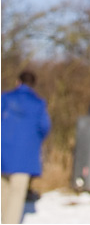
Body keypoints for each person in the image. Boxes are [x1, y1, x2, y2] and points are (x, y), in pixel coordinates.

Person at [1, 70, 51, 224]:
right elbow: (45, 127)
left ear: (18, 82)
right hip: (25, 157)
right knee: (16, 196)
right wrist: (33, 141)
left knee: (2, 193)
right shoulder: (38, 104)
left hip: (3, 154)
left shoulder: (5, 99)